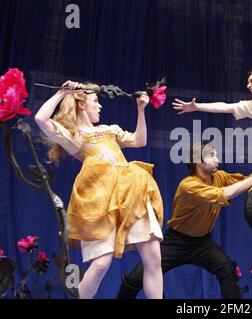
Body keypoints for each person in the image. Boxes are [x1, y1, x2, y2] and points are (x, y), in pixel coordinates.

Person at [34, 80, 164, 299]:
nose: (100, 106)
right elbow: (40, 119)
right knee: (102, 263)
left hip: (131, 192)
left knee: (154, 258)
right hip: (101, 198)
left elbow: (140, 141)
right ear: (82, 104)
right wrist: (62, 93)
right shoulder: (75, 138)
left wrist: (141, 110)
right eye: (96, 101)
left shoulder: (108, 130)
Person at [116, 140, 252, 299]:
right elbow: (225, 194)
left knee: (226, 269)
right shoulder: (188, 186)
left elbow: (247, 182)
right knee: (136, 278)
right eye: (212, 155)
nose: (217, 160)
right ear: (198, 160)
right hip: (177, 241)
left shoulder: (219, 177)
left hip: (202, 243)